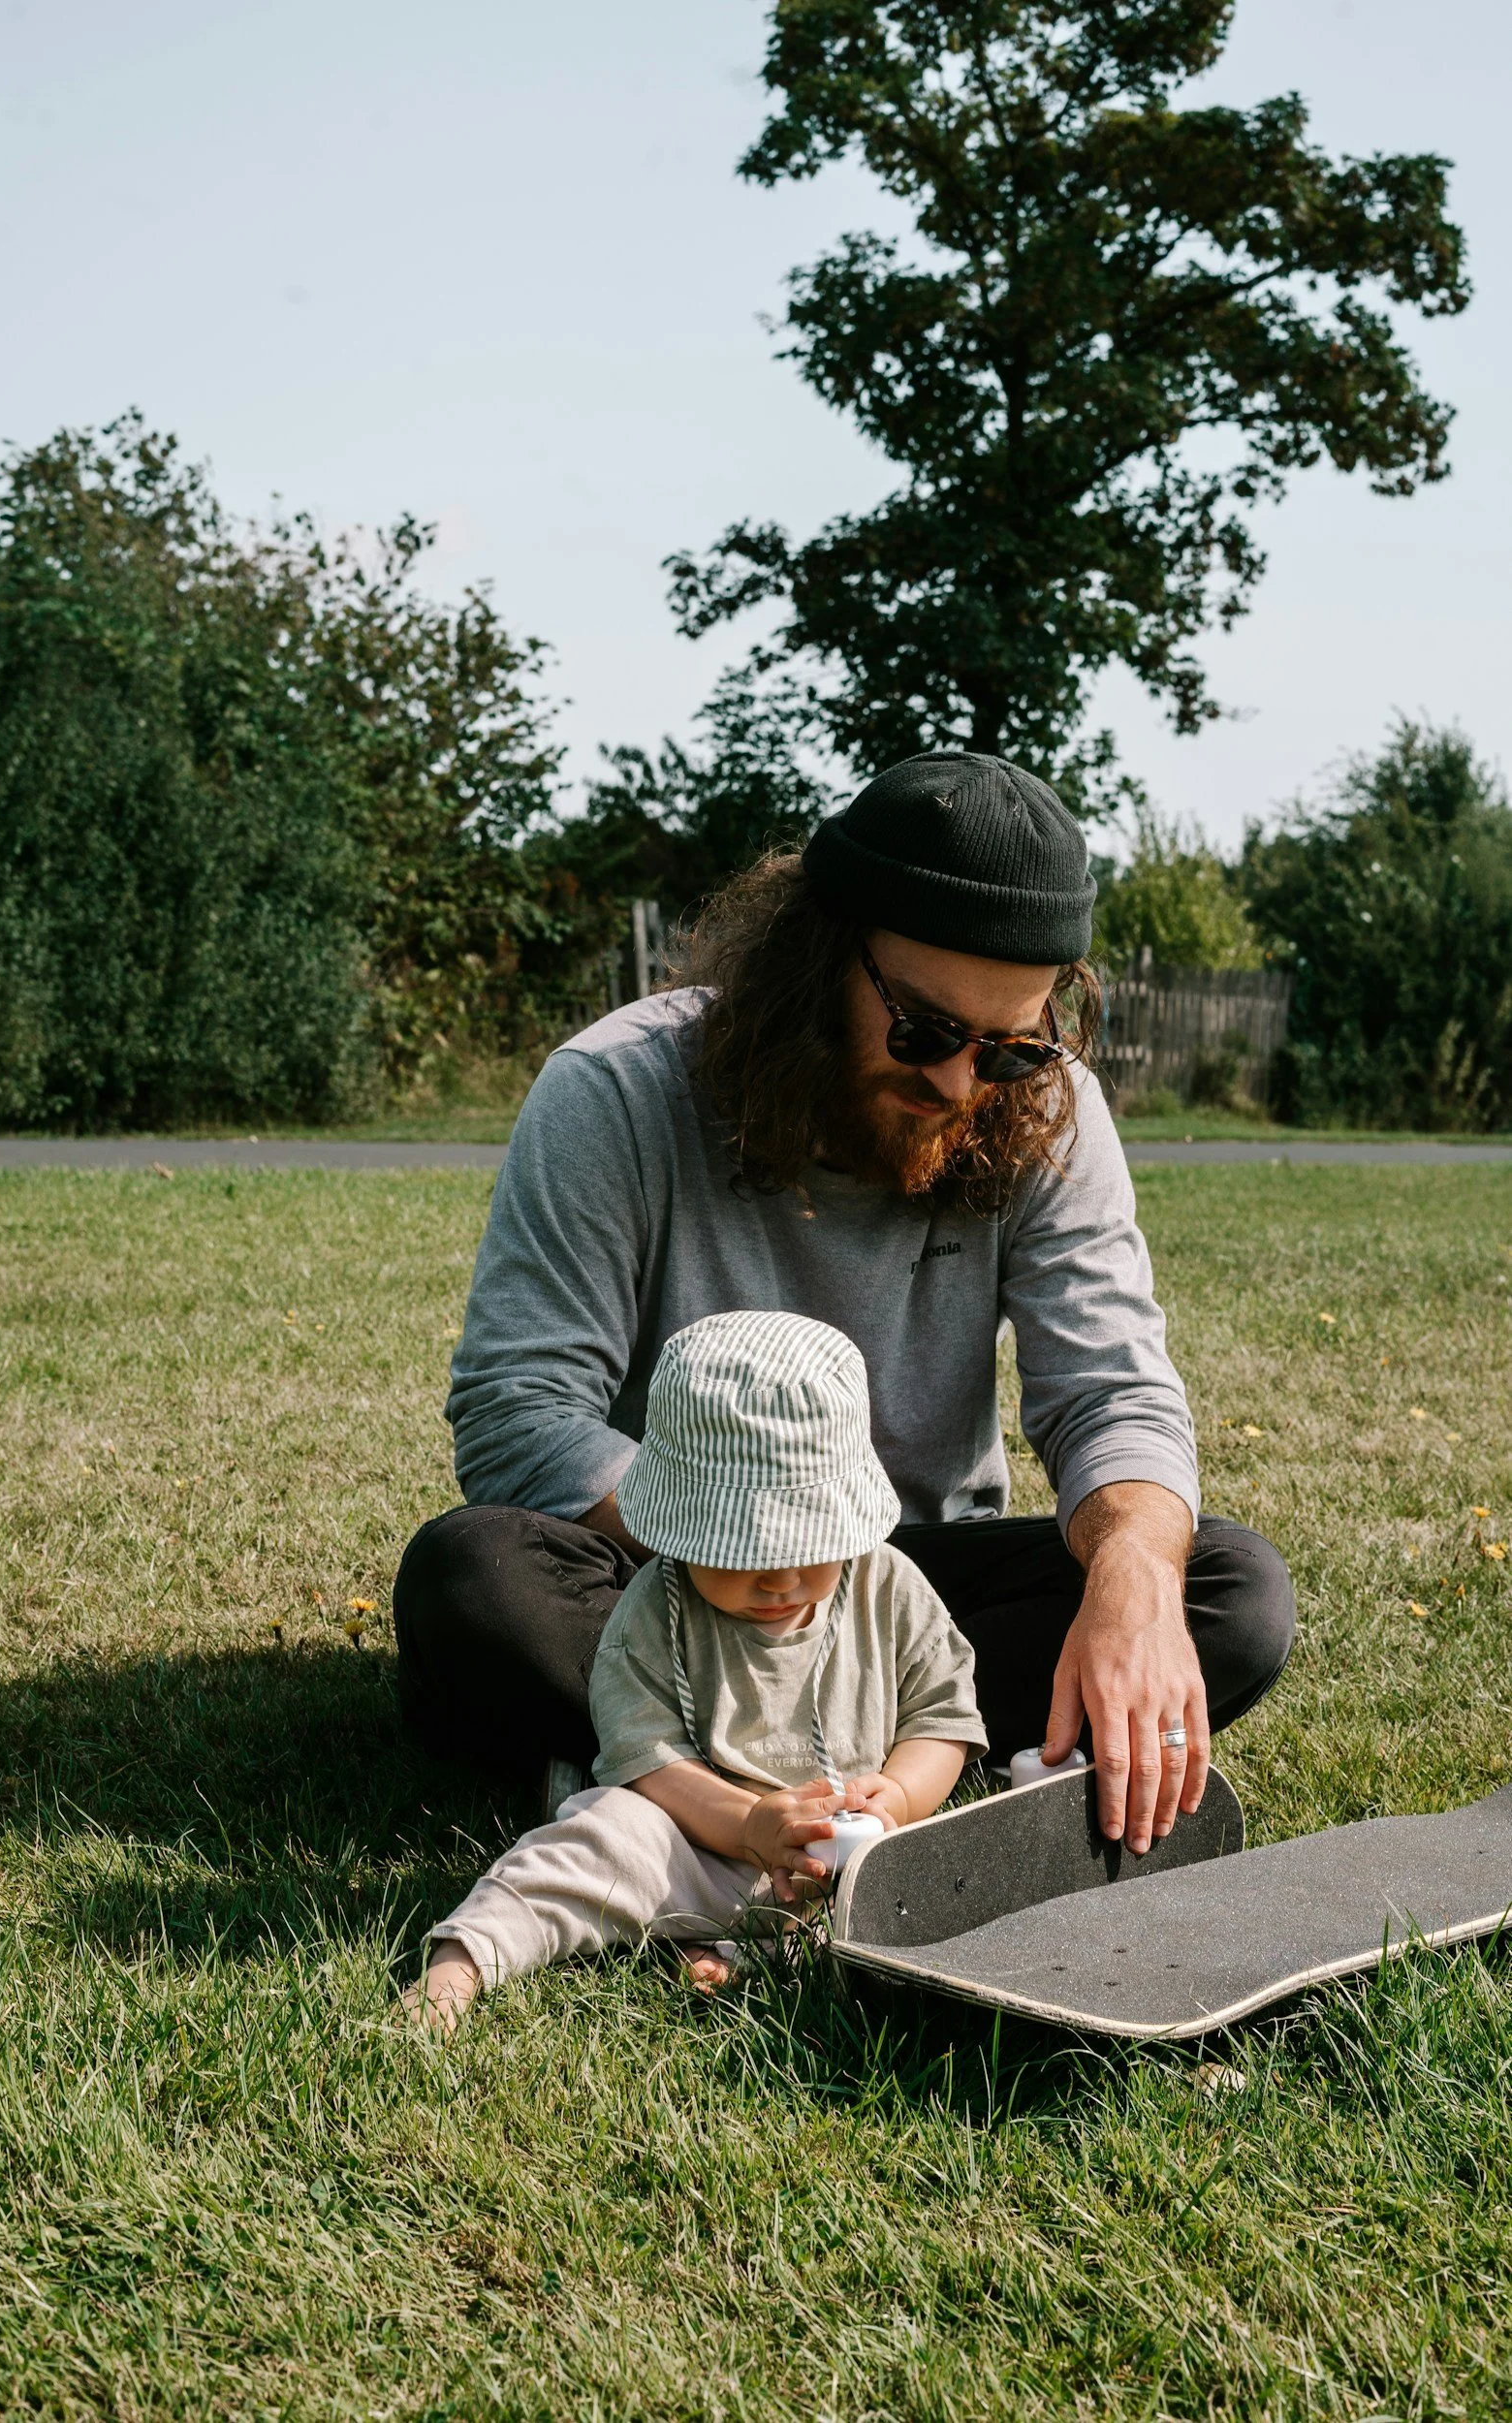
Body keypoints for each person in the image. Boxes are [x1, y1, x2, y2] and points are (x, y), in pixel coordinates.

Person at [395, 750, 1295, 1860]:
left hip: (904, 1598)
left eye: (1008, 1048)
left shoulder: (1051, 1113)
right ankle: (871, 1763)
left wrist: (1133, 1578)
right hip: (677, 1584)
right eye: (922, 1030)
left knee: (1224, 1591)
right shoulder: (616, 1089)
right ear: (814, 959)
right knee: (474, 1579)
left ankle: (668, 1769)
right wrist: (747, 1547)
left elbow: (1111, 1388)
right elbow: (518, 1409)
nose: (961, 1083)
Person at [405, 1310, 986, 2029]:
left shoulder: (888, 1586)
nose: (780, 1581)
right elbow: (650, 1761)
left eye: (811, 1546)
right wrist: (748, 1825)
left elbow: (942, 1717)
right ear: (684, 1530)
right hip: (699, 1839)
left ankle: (751, 1948)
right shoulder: (656, 1611)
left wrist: (895, 1799)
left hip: (848, 1853)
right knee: (603, 1834)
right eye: (742, 1551)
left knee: (935, 1880)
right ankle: (464, 1958)